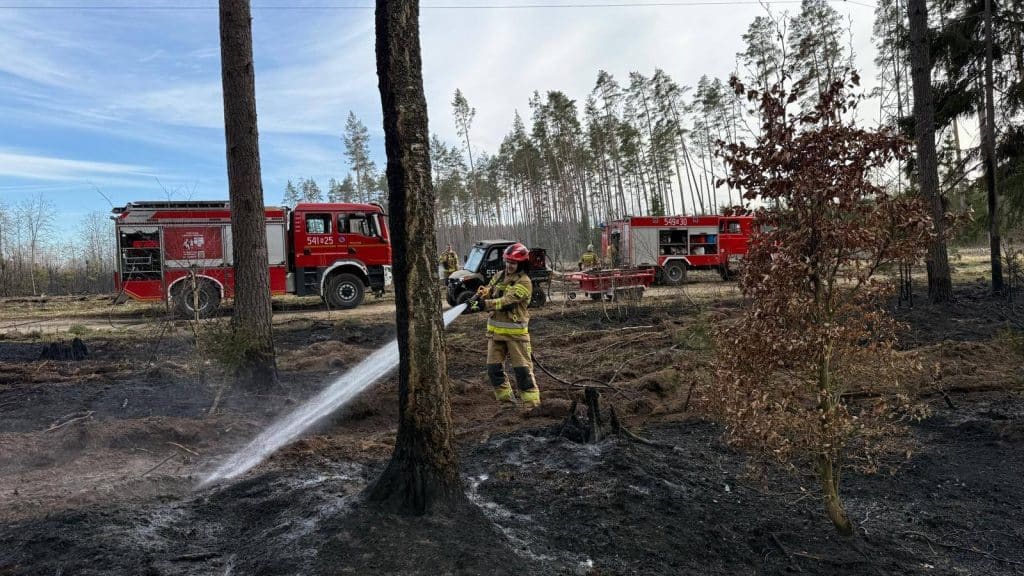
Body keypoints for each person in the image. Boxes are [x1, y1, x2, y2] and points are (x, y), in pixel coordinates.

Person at [466, 243, 540, 409]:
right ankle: (506, 404)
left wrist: (484, 305)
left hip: (516, 337)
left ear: (521, 264)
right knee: (494, 371)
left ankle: (531, 406)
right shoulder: (499, 276)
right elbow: (489, 290)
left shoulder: (525, 282)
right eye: (507, 262)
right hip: (495, 334)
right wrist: (477, 297)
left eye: (513, 263)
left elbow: (507, 302)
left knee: (522, 373)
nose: (509, 266)